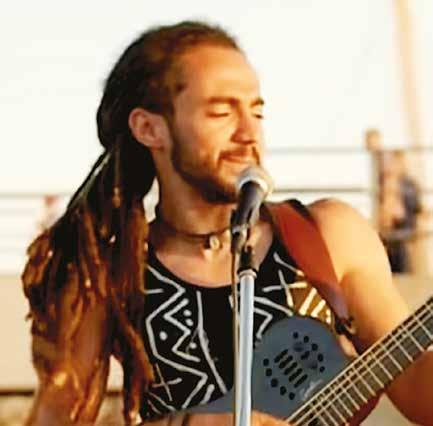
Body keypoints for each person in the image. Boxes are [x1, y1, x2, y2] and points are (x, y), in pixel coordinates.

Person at [22, 21, 433, 426]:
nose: (249, 133)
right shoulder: (109, 274)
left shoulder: (328, 235)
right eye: (221, 112)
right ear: (149, 129)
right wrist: (189, 424)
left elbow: (418, 392)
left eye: (257, 111)